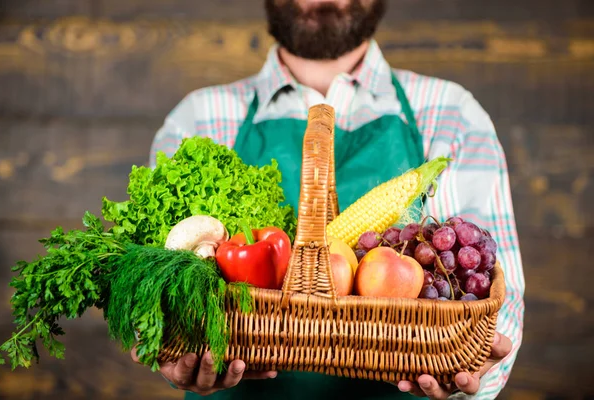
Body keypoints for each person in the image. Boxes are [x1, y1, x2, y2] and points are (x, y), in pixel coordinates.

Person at [141, 0, 525, 398]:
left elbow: (498, 295)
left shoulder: (452, 114)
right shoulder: (197, 120)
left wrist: (471, 375)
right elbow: (155, 291)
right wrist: (167, 349)